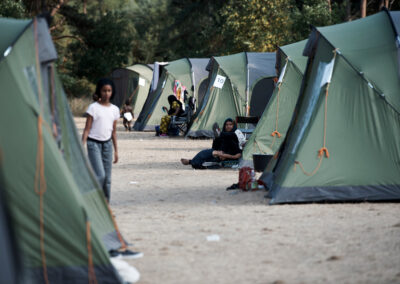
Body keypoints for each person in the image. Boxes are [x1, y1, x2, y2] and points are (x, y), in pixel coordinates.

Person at [82, 78, 120, 202]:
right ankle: (95, 201)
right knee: (100, 175)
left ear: (112, 92)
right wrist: (82, 145)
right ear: (99, 91)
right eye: (104, 91)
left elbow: (113, 132)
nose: (106, 93)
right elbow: (87, 129)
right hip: (94, 144)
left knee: (108, 179)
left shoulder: (114, 109)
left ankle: (106, 204)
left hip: (107, 145)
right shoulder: (93, 108)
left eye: (109, 91)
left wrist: (116, 150)